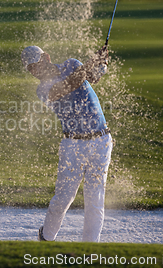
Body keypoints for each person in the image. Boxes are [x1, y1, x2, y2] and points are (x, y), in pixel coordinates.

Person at [21, 45, 113, 242]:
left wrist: (102, 61)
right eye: (30, 69)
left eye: (35, 65)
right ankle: (46, 237)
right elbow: (67, 86)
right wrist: (92, 62)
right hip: (73, 145)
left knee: (94, 199)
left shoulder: (72, 64)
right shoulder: (43, 89)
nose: (34, 72)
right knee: (63, 198)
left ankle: (89, 250)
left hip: (101, 140)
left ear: (46, 57)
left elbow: (92, 76)